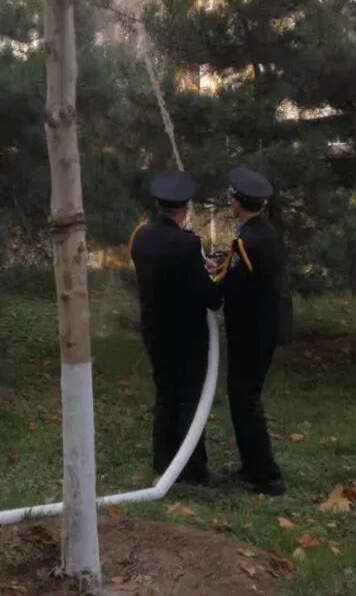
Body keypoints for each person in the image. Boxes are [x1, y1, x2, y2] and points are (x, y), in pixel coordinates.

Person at [128, 170, 224, 486]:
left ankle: (163, 460)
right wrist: (212, 274)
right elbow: (210, 298)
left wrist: (196, 265)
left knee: (166, 395)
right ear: (185, 208)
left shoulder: (141, 238)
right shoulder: (187, 245)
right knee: (189, 400)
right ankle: (192, 470)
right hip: (187, 336)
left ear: (158, 205)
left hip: (154, 331)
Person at [211, 166, 286, 496]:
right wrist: (222, 268)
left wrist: (214, 282)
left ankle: (267, 476)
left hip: (250, 330)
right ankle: (252, 466)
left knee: (245, 399)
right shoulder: (263, 233)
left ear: (237, 202)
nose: (230, 201)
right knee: (244, 397)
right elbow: (248, 275)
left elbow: (234, 287)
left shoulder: (247, 241)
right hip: (262, 325)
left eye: (231, 198)